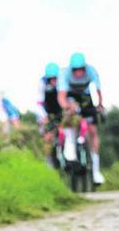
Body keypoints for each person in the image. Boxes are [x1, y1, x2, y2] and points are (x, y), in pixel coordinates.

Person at [57, 52, 105, 184]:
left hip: (86, 97)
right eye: (75, 70)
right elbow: (61, 96)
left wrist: (100, 105)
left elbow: (98, 91)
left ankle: (96, 171)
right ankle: (71, 149)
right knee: (70, 118)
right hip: (71, 97)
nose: (78, 72)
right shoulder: (64, 74)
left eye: (81, 69)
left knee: (93, 131)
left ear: (85, 67)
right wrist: (67, 107)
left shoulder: (91, 71)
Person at [36, 62, 62, 166]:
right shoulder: (42, 83)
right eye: (52, 79)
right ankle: (49, 161)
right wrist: (44, 116)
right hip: (46, 112)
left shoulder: (63, 82)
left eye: (56, 78)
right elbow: (39, 103)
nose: (54, 81)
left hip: (60, 111)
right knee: (47, 136)